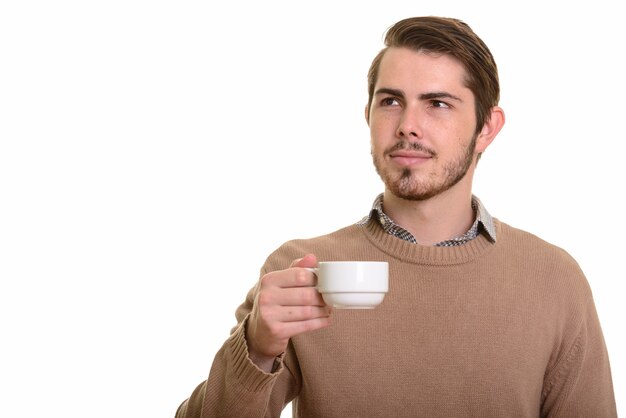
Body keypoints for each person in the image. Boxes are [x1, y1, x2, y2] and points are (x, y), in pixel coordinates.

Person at [175, 16, 617, 417]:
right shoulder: (301, 271)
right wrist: (255, 349)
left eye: (438, 104)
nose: (408, 124)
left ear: (487, 127)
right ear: (368, 115)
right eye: (391, 101)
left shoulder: (553, 278)